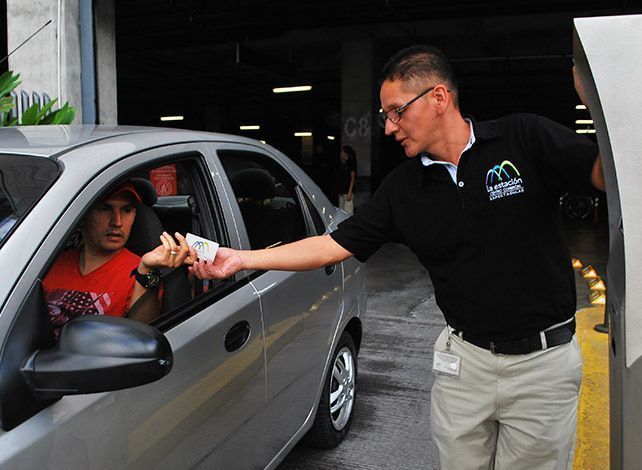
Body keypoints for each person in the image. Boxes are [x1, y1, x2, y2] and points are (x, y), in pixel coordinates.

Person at [190, 44, 604, 470]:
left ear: (439, 98)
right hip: (465, 363)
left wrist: (596, 95)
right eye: (385, 115)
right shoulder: (404, 189)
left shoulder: (523, 139)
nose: (388, 127)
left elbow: (605, 174)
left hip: (542, 365)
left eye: (396, 112)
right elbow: (332, 245)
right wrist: (241, 259)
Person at [42, 181, 196, 336]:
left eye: (127, 210)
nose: (117, 222)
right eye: (105, 208)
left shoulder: (139, 271)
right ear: (84, 214)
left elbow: (140, 336)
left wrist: (145, 271)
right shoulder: (50, 264)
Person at [336, 145, 357, 214]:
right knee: (341, 211)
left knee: (348, 211)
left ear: (345, 153)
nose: (340, 153)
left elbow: (352, 179)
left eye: (342, 152)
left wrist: (350, 192)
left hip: (347, 192)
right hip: (341, 191)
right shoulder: (342, 164)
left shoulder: (351, 163)